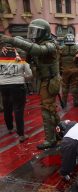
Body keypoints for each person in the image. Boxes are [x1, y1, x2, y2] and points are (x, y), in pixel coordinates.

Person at [0, 18, 61, 149]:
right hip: (46, 80)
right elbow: (30, 50)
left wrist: (12, 40)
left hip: (50, 81)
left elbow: (38, 51)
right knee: (50, 109)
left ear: (44, 33)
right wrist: (14, 42)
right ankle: (59, 132)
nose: (34, 35)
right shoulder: (42, 43)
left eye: (36, 32)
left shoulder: (51, 44)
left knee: (46, 110)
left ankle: (51, 140)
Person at [0, 45, 32, 142]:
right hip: (18, 86)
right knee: (18, 109)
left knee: (7, 107)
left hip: (3, 86)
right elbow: (29, 74)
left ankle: (10, 128)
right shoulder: (21, 59)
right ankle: (21, 134)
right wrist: (22, 77)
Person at [59, 33, 78, 108]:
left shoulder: (61, 48)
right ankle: (76, 102)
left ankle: (64, 103)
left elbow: (58, 60)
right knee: (75, 86)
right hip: (75, 71)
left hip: (65, 71)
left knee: (64, 87)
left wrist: (60, 70)